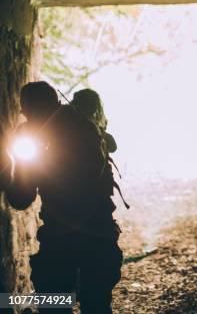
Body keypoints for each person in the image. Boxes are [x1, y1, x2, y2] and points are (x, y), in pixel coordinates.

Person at [5, 81, 123, 314]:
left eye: (25, 108)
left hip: (76, 236)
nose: (22, 113)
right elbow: (22, 196)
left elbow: (21, 197)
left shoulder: (68, 133)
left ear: (37, 108)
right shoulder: (78, 129)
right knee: (86, 304)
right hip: (86, 235)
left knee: (72, 304)